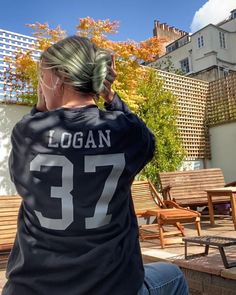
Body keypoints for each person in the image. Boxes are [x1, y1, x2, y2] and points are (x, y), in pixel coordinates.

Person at [2, 36, 188, 295]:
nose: (40, 86)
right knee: (174, 275)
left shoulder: (26, 132)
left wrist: (39, 109)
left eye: (41, 78)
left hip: (32, 289)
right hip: (112, 288)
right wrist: (110, 94)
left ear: (59, 78)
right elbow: (147, 141)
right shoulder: (126, 132)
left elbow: (22, 176)